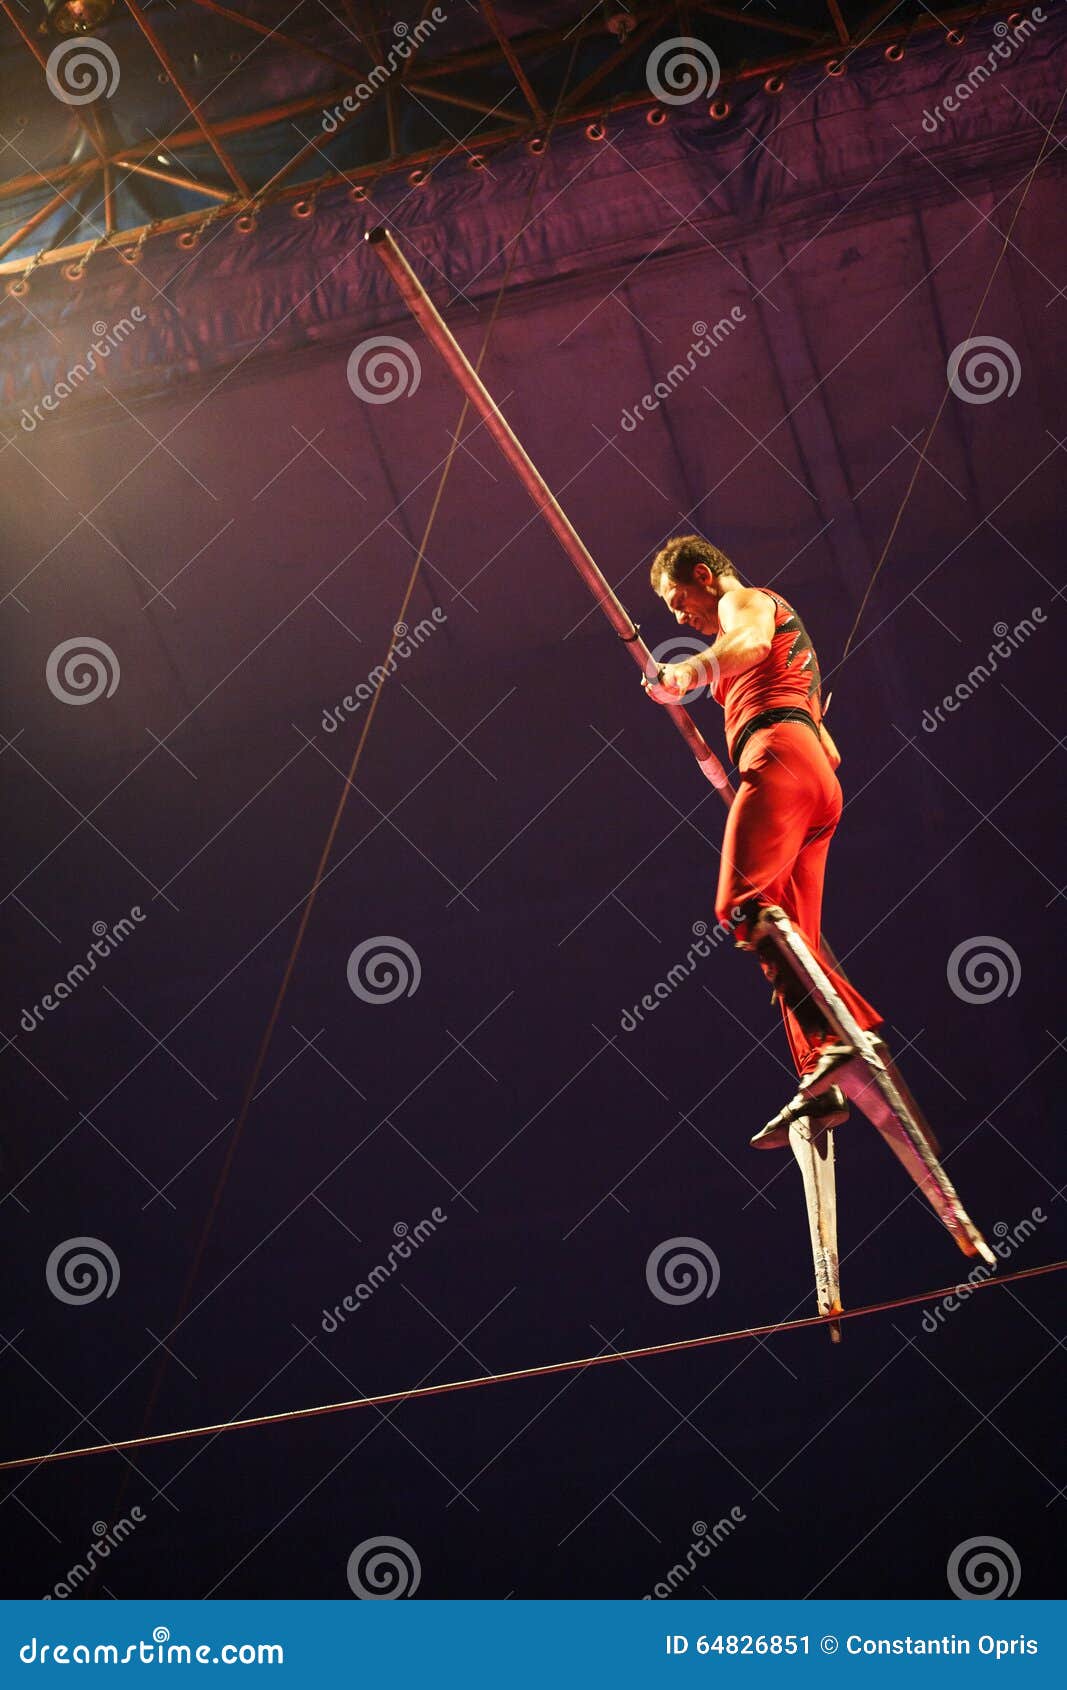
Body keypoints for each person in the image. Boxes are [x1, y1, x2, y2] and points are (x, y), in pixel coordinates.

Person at [641, 534, 884, 1149]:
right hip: (815, 780)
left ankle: (842, 1031)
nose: (678, 617)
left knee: (741, 906)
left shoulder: (744, 602)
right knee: (792, 938)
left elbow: (744, 644)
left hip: (780, 758)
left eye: (677, 599)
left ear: (702, 575)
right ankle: (820, 1080)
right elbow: (831, 748)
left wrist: (686, 675)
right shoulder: (787, 639)